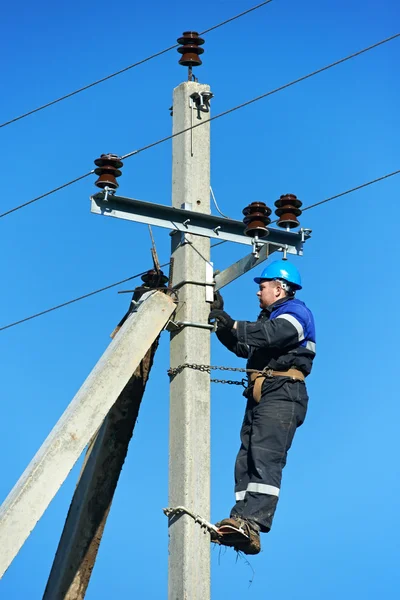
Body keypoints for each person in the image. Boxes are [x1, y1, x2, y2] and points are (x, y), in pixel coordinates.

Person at [209, 259, 316, 555]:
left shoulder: (295, 313)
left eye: (263, 286)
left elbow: (272, 335)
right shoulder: (267, 320)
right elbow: (245, 346)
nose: (258, 292)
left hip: (283, 393)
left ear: (280, 289)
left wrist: (232, 323)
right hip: (263, 394)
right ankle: (241, 520)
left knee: (265, 455)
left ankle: (252, 521)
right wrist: (221, 321)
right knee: (247, 457)